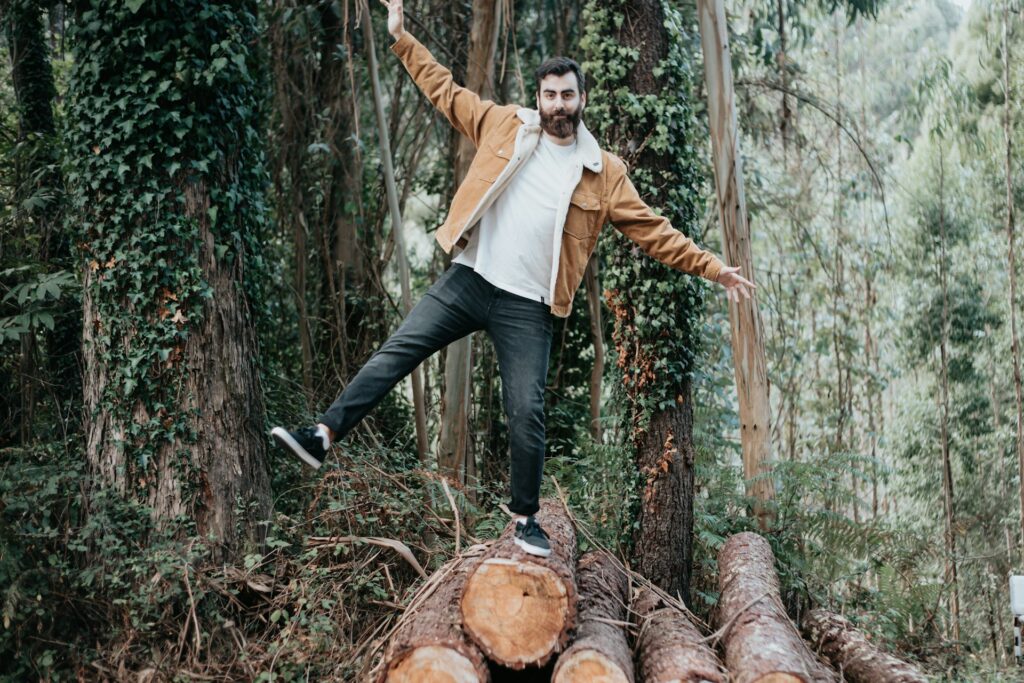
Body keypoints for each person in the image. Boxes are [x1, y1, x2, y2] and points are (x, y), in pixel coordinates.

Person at [272, 0, 755, 558]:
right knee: (395, 353)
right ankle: (322, 435)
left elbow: (653, 231)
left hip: (528, 306)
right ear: (538, 98)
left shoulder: (604, 172)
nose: (558, 105)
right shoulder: (505, 125)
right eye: (550, 95)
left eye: (567, 95)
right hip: (472, 278)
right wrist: (400, 36)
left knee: (526, 411)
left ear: (582, 99)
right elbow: (445, 92)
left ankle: (525, 518)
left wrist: (713, 267)